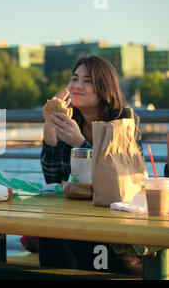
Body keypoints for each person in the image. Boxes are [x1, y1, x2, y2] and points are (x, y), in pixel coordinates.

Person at [38, 56, 143, 275]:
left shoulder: (122, 118)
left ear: (104, 88)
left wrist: (80, 143)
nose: (76, 85)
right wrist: (50, 140)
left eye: (87, 81)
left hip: (116, 222)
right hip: (76, 217)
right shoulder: (69, 117)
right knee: (47, 234)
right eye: (74, 79)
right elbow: (55, 181)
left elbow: (119, 178)